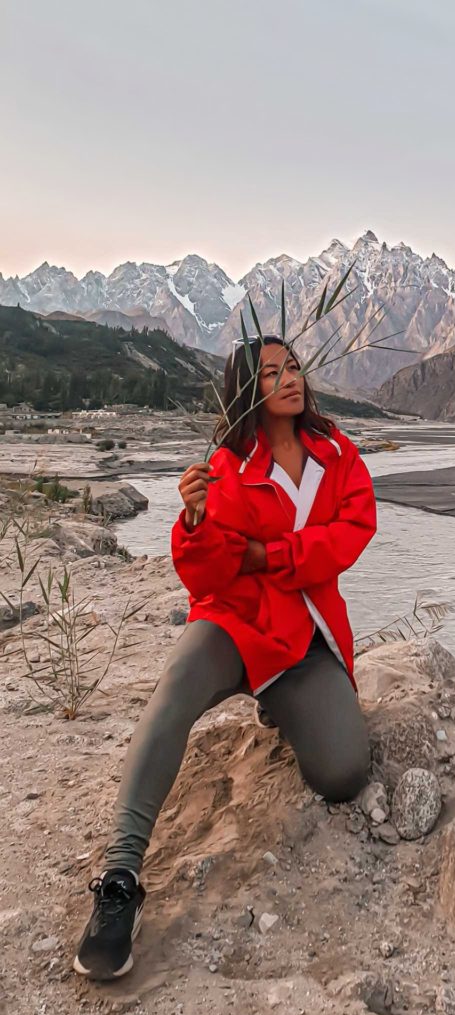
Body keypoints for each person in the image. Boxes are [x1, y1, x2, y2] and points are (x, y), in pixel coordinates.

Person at [73, 334, 377, 980]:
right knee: (178, 684)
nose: (290, 379)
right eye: (271, 374)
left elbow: (352, 534)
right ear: (248, 390)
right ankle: (120, 878)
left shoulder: (337, 452)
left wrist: (270, 556)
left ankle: (283, 706)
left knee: (345, 774)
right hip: (235, 625)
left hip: (304, 637)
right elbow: (209, 579)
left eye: (293, 366)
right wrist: (195, 522)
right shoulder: (226, 466)